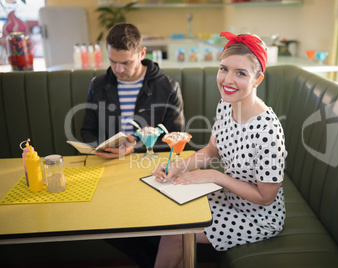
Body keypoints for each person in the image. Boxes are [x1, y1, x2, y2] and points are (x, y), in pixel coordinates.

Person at [152, 32, 287, 268]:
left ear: (258, 79)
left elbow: (266, 198)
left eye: (241, 73)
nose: (227, 80)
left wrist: (216, 176)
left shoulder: (269, 132)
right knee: (168, 208)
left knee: (176, 232)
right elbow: (212, 150)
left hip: (257, 217)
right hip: (229, 198)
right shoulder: (227, 103)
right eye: (224, 68)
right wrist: (177, 166)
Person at [81, 23, 184, 159]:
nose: (118, 69)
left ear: (142, 54)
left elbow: (176, 137)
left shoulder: (169, 87)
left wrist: (135, 147)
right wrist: (105, 148)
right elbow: (87, 131)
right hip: (107, 162)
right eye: (113, 61)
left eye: (126, 63)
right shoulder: (97, 85)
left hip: (150, 162)